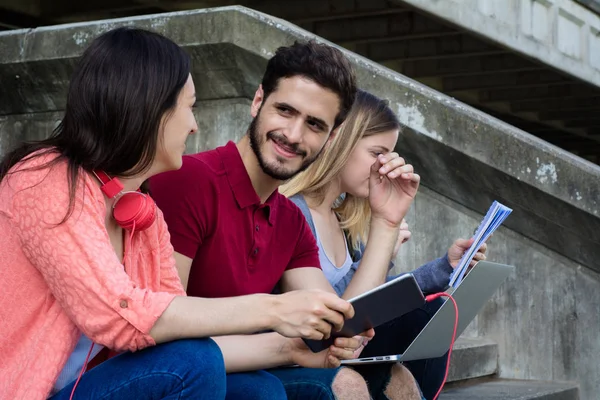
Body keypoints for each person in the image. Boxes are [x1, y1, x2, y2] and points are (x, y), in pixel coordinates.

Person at [0, 27, 367, 400]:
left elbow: (174, 330)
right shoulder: (43, 179)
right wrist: (273, 310)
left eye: (315, 124)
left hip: (99, 384)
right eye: (190, 106)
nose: (195, 124)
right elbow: (120, 316)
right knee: (196, 361)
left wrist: (290, 347)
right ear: (149, 106)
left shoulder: (142, 211)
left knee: (259, 388)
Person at [149, 40, 422, 399]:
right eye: (285, 111)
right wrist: (280, 334)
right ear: (258, 101)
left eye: (314, 124)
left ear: (332, 137)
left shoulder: (291, 221)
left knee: (393, 378)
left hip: (247, 364)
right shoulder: (187, 180)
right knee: (329, 386)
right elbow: (160, 330)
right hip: (181, 377)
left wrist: (386, 221)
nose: (293, 135)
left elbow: (342, 326)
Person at [280, 89, 488, 400]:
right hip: (305, 348)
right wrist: (385, 229)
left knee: (428, 319)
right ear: (340, 142)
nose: (385, 166)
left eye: (389, 155)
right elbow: (340, 317)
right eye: (377, 153)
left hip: (344, 341)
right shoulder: (293, 213)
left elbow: (370, 299)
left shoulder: (345, 217)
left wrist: (445, 268)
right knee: (420, 317)